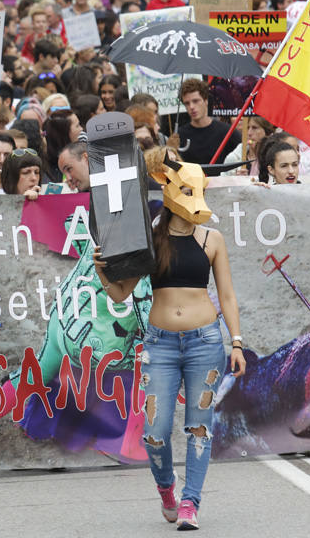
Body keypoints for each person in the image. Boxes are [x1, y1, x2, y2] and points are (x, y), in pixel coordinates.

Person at [94, 156, 245, 530]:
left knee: (199, 427)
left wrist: (237, 341)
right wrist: (101, 270)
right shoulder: (149, 239)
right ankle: (167, 488)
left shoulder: (213, 239)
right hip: (159, 345)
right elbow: (119, 294)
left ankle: (191, 502)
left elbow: (226, 295)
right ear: (170, 190)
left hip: (205, 342)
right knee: (155, 433)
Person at [174, 79, 240, 164]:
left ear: (206, 101)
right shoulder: (179, 135)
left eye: (195, 101)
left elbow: (242, 159)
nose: (191, 106)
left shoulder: (227, 132)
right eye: (187, 103)